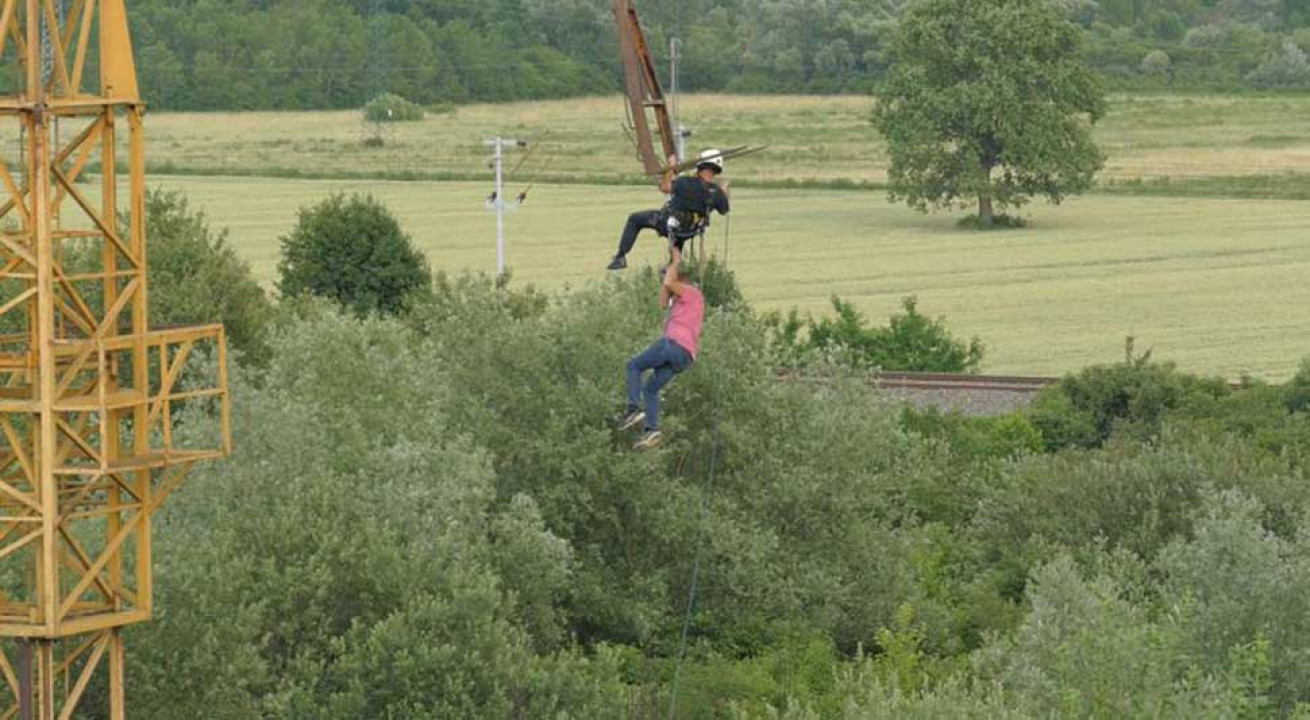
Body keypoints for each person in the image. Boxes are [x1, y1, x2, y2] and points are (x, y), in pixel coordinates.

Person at [618, 246, 704, 450]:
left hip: (673, 344)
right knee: (651, 389)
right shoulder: (682, 302)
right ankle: (652, 429)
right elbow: (662, 303)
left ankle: (632, 409)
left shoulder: (692, 293)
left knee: (633, 366)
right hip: (684, 356)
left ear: (680, 278)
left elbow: (669, 283)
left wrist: (674, 261)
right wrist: (667, 278)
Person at [607, 149, 731, 271]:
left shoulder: (685, 182)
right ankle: (672, 265)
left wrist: (670, 169)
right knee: (680, 232)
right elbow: (724, 210)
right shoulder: (717, 192)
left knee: (635, 219)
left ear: (701, 165)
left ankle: (620, 257)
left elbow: (665, 187)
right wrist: (724, 191)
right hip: (691, 230)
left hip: (670, 224)